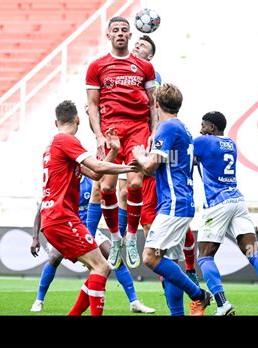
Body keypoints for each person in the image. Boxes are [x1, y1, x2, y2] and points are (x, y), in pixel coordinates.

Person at [38, 100, 137, 316]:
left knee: (100, 267)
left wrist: (114, 151)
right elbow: (98, 167)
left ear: (56, 122)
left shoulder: (55, 145)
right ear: (78, 120)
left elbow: (95, 174)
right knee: (102, 267)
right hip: (62, 217)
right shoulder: (66, 141)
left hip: (56, 218)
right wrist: (131, 167)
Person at [132, 83, 212, 316]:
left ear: (156, 103)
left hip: (174, 204)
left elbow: (150, 166)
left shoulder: (166, 128)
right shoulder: (183, 129)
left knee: (150, 257)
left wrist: (139, 156)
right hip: (181, 202)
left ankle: (199, 295)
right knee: (170, 264)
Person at [194, 111, 258, 316]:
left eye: (203, 126)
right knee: (253, 253)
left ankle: (222, 304)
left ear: (213, 128)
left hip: (217, 203)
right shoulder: (231, 144)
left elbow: (180, 151)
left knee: (205, 257)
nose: (201, 130)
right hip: (237, 201)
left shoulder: (204, 142)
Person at [86, 16, 157, 270]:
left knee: (135, 183)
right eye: (115, 30)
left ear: (130, 35)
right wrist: (98, 135)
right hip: (111, 131)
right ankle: (115, 237)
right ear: (108, 35)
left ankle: (129, 237)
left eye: (124, 30)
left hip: (138, 129)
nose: (119, 34)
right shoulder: (97, 66)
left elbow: (152, 103)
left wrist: (154, 132)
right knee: (106, 188)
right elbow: (93, 105)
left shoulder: (144, 67)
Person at [30, 175, 155, 314]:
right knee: (54, 257)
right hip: (67, 229)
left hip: (89, 229)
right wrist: (35, 237)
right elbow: (41, 211)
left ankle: (134, 302)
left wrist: (121, 228)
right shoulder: (62, 181)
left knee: (114, 256)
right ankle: (39, 300)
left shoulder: (91, 183)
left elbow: (108, 204)